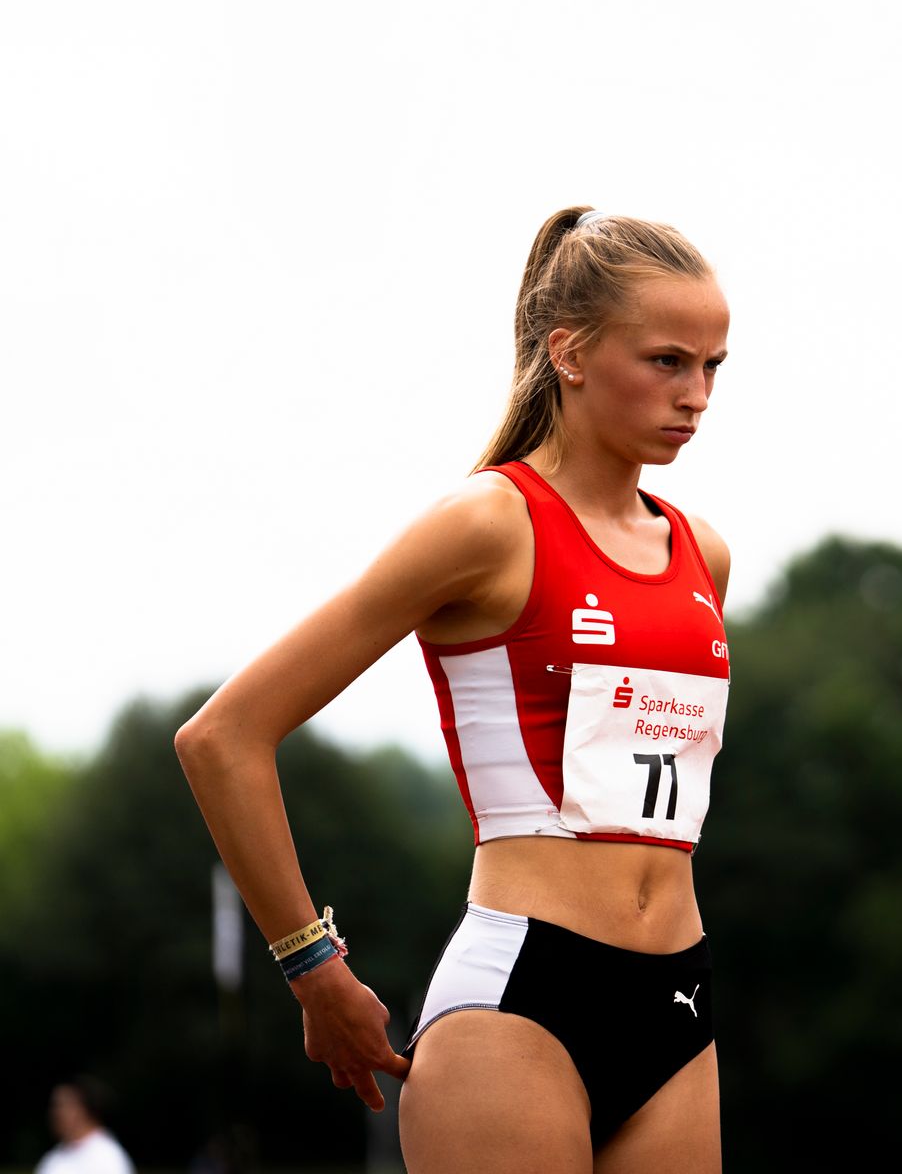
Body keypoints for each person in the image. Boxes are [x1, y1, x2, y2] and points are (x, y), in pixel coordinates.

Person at [176, 206, 732, 1172]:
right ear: (568, 352)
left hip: (678, 1004)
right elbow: (223, 737)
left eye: (713, 366)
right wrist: (313, 968)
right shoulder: (487, 523)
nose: (697, 395)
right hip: (521, 1003)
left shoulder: (702, 555)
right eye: (667, 361)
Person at [35, 1077, 135, 1174]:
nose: (55, 1113)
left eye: (62, 1105)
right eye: (54, 1106)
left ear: (84, 1109)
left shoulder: (108, 1157)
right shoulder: (53, 1157)